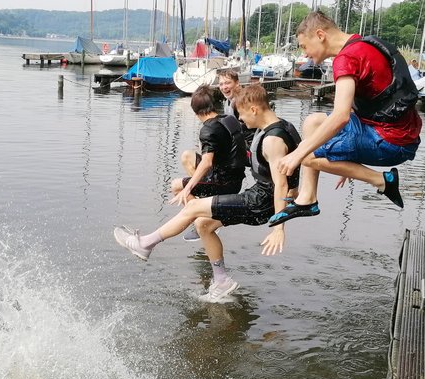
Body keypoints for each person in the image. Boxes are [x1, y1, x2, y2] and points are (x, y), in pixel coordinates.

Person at [113, 84, 301, 302]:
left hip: (261, 201)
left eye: (241, 114)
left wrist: (279, 227)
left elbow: (281, 185)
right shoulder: (285, 126)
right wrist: (297, 197)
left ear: (254, 109)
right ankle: (222, 281)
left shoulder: (272, 140)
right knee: (204, 224)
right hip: (261, 197)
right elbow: (296, 172)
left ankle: (145, 244)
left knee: (192, 207)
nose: (241, 121)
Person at [269, 11, 421, 226]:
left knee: (306, 156)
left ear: (320, 35)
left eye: (304, 47)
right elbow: (356, 109)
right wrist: (346, 162)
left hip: (392, 143)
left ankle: (382, 180)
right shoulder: (362, 44)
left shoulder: (346, 59)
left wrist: (296, 155)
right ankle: (307, 198)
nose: (306, 55)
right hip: (400, 133)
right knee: (313, 122)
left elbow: (340, 117)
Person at [172, 85, 247, 242]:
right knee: (187, 156)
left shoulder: (208, 129)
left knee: (176, 186)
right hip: (234, 176)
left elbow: (206, 163)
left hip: (225, 182)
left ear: (195, 111)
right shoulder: (229, 119)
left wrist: (188, 188)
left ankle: (203, 218)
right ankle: (205, 203)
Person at [218, 68, 256, 147]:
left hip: (249, 145)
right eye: (221, 84)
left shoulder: (241, 102)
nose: (224, 87)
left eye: (227, 83)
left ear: (237, 83)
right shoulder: (228, 101)